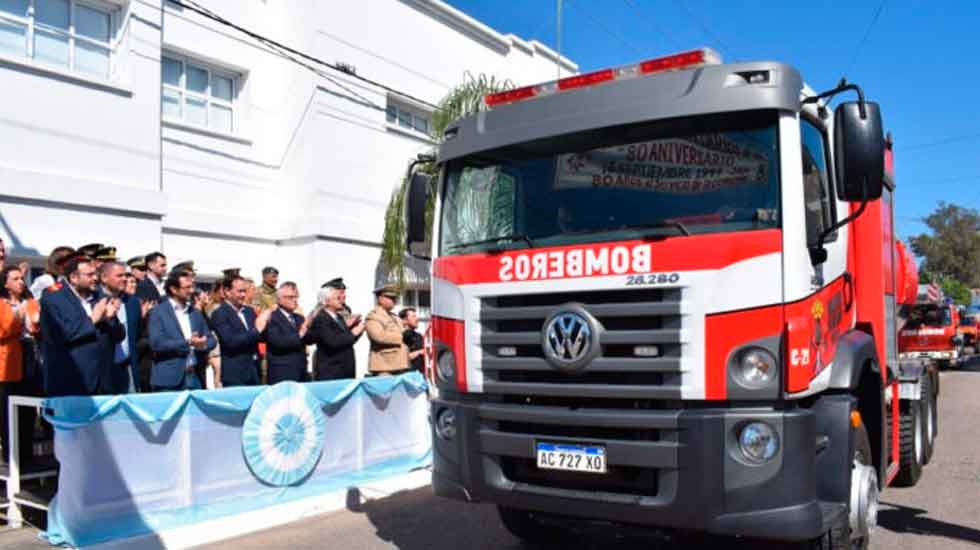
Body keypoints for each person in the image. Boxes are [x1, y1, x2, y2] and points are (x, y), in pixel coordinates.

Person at [39, 255, 125, 396]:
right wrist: (93, 319)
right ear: (74, 277)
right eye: (90, 275)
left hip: (102, 382)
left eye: (95, 274)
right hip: (71, 381)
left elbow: (119, 336)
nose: (95, 278)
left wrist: (111, 319)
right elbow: (63, 334)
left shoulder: (99, 295)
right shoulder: (54, 297)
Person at [148, 270, 216, 391]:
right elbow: (157, 343)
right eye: (187, 287)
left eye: (192, 287)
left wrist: (202, 344)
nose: (191, 291)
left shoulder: (195, 312)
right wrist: (188, 342)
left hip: (195, 375)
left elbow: (211, 339)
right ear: (174, 289)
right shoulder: (158, 312)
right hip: (169, 379)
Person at [0, 265, 40, 466]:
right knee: (8, 413)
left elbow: (38, 326)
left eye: (21, 278)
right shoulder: (1, 304)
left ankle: (28, 454)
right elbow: (4, 330)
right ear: (5, 283)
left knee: (28, 410)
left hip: (31, 356)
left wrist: (34, 322)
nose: (20, 282)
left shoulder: (31, 302)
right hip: (9, 362)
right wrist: (18, 316)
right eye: (15, 279)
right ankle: (11, 456)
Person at [210, 276, 271, 387]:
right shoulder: (220, 313)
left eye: (245, 291)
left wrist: (266, 323)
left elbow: (259, 336)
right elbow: (231, 341)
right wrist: (257, 330)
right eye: (240, 291)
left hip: (254, 370)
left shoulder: (249, 311)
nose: (243, 295)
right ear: (227, 291)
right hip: (235, 374)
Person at [99, 261, 146, 393]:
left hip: (127, 368)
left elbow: (136, 335)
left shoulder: (133, 302)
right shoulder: (94, 300)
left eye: (125, 275)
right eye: (119, 276)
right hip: (103, 370)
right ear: (104, 277)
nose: (124, 279)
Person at [307, 280, 364, 380]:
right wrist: (354, 333)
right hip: (331, 370)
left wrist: (358, 330)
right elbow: (333, 342)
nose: (342, 299)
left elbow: (347, 341)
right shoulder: (321, 318)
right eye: (338, 297)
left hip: (345, 369)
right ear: (327, 301)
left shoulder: (338, 317)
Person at [262, 282, 311, 384]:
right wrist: (300, 334)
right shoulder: (272, 317)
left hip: (301, 371)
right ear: (279, 299)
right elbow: (278, 342)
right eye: (290, 297)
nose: (295, 300)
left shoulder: (299, 318)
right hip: (282, 373)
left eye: (296, 297)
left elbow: (309, 339)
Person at [365, 284, 409, 376]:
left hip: (400, 364)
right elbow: (378, 336)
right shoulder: (373, 316)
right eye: (390, 297)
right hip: (384, 366)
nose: (394, 300)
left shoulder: (394, 317)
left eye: (394, 298)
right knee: (385, 390)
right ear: (380, 299)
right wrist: (402, 337)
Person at [399, 307, 425, 373]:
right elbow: (399, 358)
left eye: (416, 316)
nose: (417, 319)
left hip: (420, 375)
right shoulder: (399, 336)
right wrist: (419, 352)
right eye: (413, 316)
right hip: (406, 375)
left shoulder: (419, 336)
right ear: (404, 320)